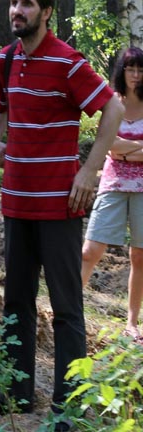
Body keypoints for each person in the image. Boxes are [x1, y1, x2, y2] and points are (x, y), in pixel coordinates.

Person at [0, 0, 122, 425]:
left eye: (27, 4)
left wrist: (90, 170)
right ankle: (17, 395)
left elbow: (112, 106)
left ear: (46, 12)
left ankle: (68, 403)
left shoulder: (68, 62)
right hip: (17, 202)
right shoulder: (5, 59)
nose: (17, 11)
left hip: (60, 205)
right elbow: (0, 102)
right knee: (15, 300)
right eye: (14, 2)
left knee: (66, 306)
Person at [81, 46, 143, 345]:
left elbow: (118, 145)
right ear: (122, 71)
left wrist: (123, 149)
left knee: (139, 256)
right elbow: (108, 144)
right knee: (90, 250)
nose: (135, 75)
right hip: (112, 183)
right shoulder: (113, 102)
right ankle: (70, 311)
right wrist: (135, 151)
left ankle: (132, 323)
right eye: (130, 69)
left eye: (140, 70)